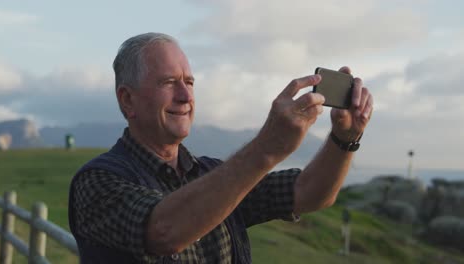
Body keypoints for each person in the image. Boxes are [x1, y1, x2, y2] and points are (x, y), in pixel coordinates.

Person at [68, 32, 373, 264]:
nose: (185, 95)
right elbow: (163, 230)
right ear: (127, 99)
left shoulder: (214, 175)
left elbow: (309, 193)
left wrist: (344, 138)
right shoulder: (96, 182)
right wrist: (267, 147)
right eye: (169, 82)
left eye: (189, 82)